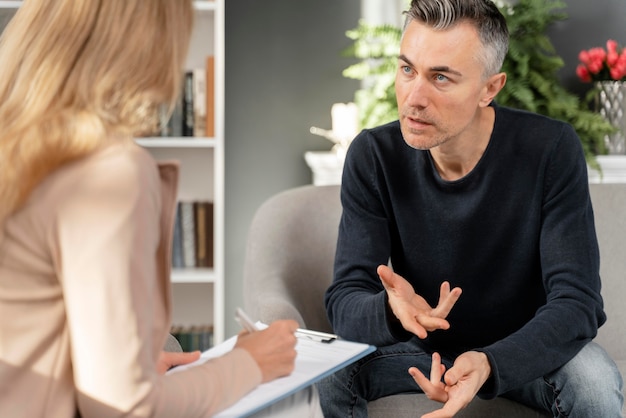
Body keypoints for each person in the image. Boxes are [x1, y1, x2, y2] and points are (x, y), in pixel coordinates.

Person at [0, 1, 321, 417]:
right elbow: (124, 406)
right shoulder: (106, 172)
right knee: (299, 402)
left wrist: (125, 366)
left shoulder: (18, 145)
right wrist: (249, 365)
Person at [318, 0, 624, 417]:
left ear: (490, 88)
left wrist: (490, 362)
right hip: (418, 354)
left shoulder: (550, 150)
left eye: (440, 77)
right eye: (407, 69)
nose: (414, 97)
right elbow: (345, 301)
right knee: (330, 371)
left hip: (521, 354)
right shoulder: (374, 155)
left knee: (594, 382)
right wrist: (390, 310)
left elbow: (578, 303)